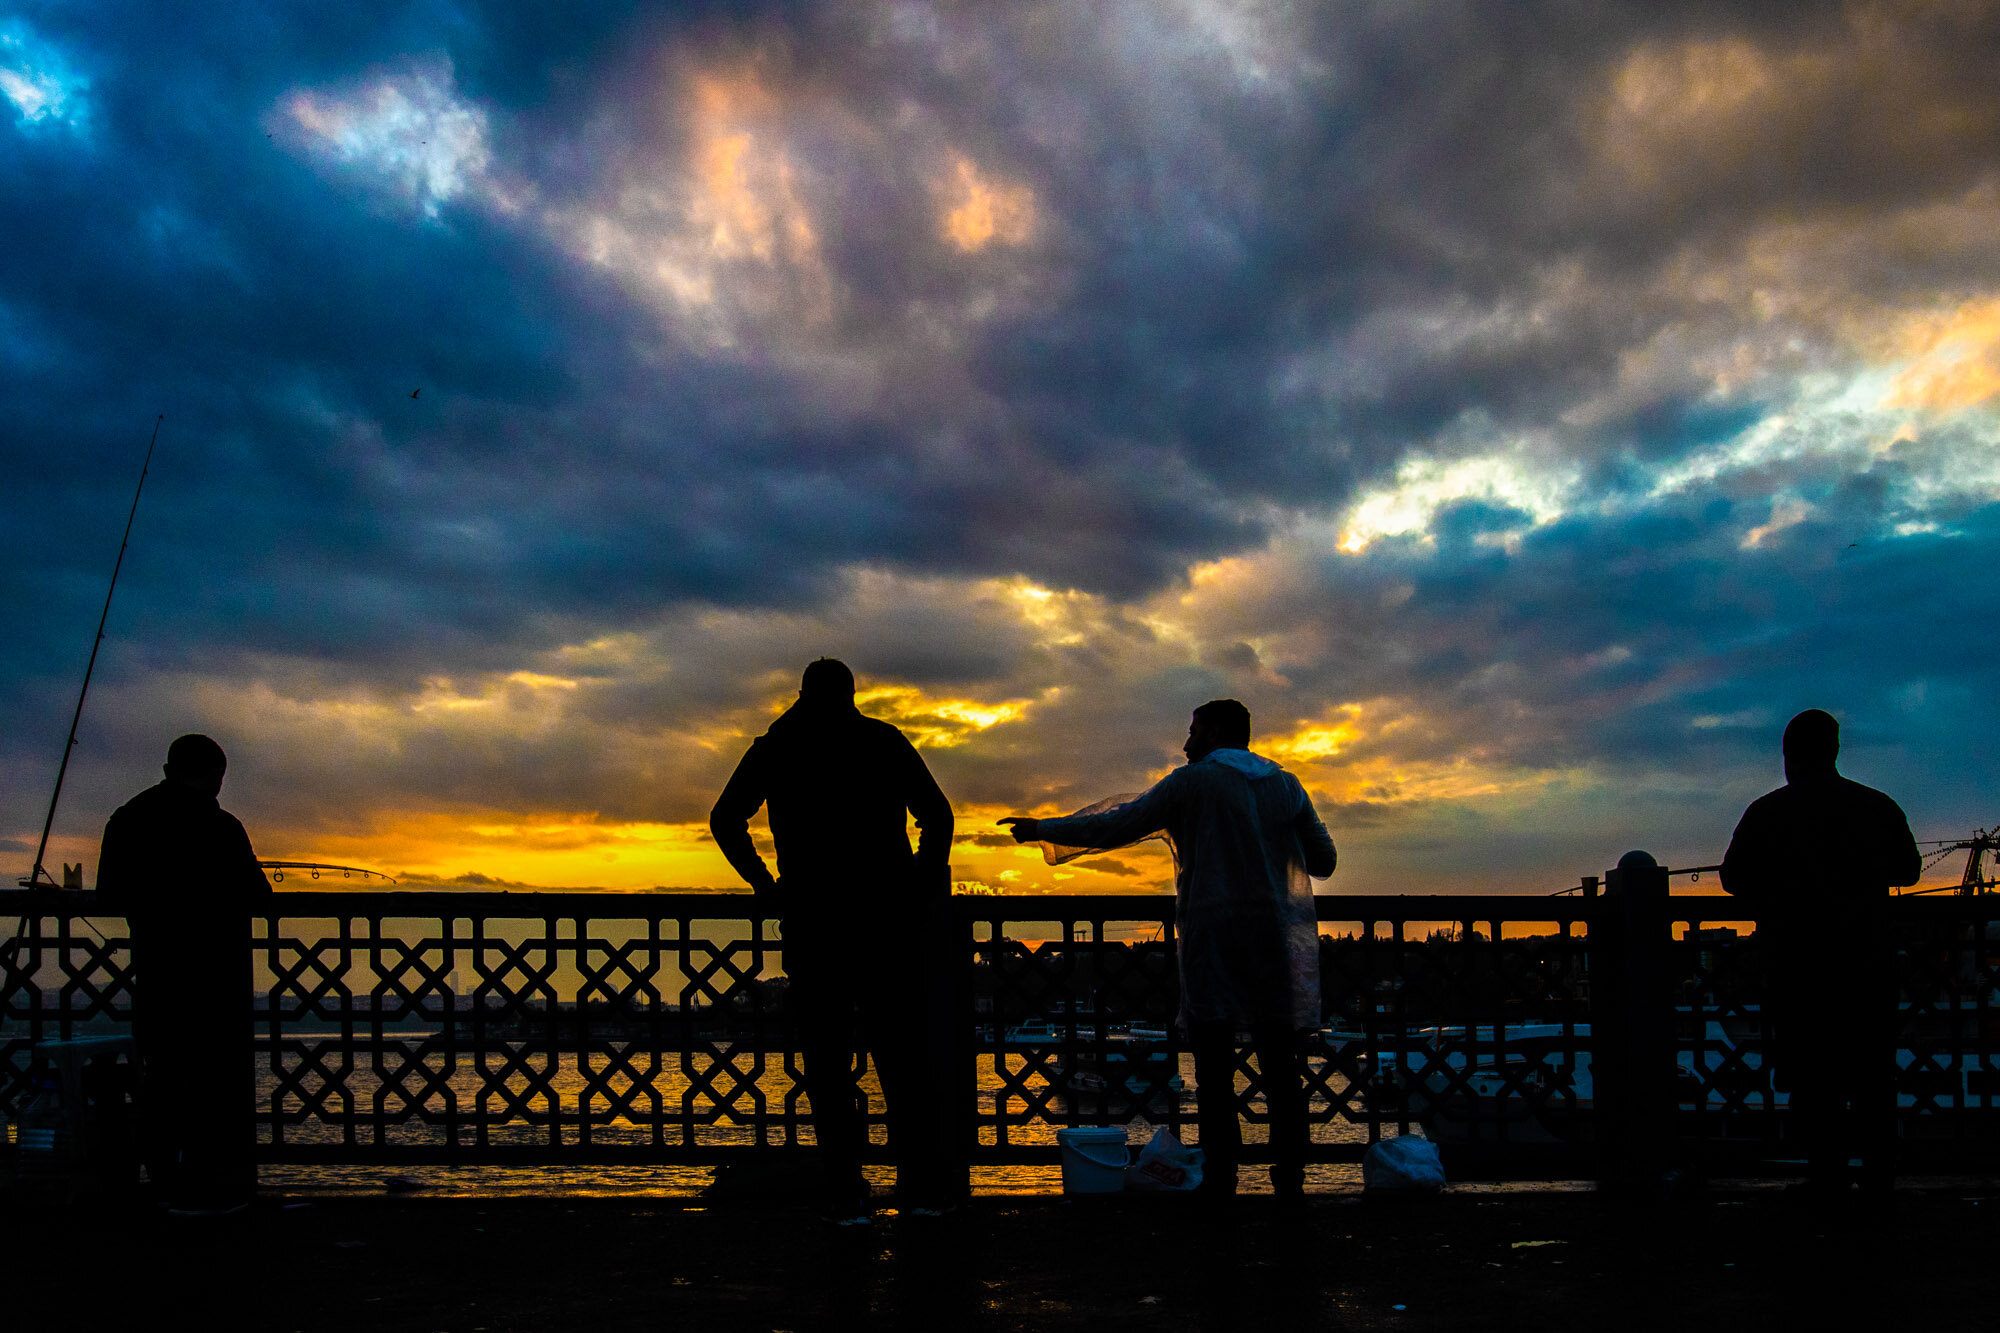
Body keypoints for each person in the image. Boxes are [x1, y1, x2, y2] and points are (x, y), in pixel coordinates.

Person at [1000, 699, 1336, 1197]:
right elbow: (1323, 861)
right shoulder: (1286, 785)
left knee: (1215, 1073)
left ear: (1217, 732)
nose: (1186, 743)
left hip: (1214, 943)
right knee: (1281, 1072)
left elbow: (1118, 822)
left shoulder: (1192, 782)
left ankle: (1222, 1183)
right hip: (1273, 945)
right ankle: (1290, 1182)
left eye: (1194, 731)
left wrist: (1043, 830)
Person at [709, 659, 957, 1223]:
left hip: (814, 919)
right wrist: (920, 878)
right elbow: (937, 816)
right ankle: (920, 1188)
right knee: (902, 1056)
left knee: (826, 1063)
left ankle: (847, 1194)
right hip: (886, 919)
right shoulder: (883, 740)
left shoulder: (777, 746)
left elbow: (725, 819)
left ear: (802, 694)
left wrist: (764, 883)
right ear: (851, 694)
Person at [1721, 708, 1920, 1196]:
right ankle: (1878, 1175)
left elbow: (1732, 878)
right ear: (1834, 752)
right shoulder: (1876, 807)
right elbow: (1909, 871)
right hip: (1866, 962)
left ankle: (1827, 1175)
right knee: (1873, 1074)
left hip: (1798, 965)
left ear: (1789, 756)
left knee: (1814, 1077)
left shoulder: (1768, 812)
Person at [96, 733, 272, 1213]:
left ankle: (161, 1183)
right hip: (216, 975)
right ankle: (205, 1184)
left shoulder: (128, 819)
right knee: (213, 1084)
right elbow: (259, 897)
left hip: (157, 969)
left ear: (169, 767)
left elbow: (108, 895)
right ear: (216, 774)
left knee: (163, 1079)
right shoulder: (221, 827)